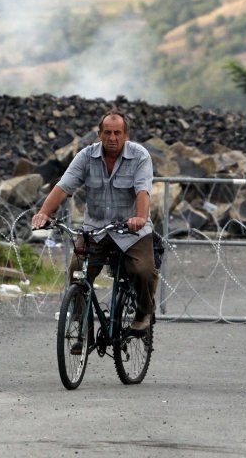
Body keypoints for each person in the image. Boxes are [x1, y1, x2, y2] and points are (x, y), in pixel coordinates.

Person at [31, 110, 158, 332]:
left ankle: (143, 311)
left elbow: (143, 190)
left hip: (131, 231)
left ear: (126, 135)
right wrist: (44, 213)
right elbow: (64, 186)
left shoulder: (140, 156)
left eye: (117, 133)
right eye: (107, 132)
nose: (112, 137)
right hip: (96, 229)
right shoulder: (86, 156)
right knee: (76, 269)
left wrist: (140, 218)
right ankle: (82, 324)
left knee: (142, 270)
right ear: (99, 134)